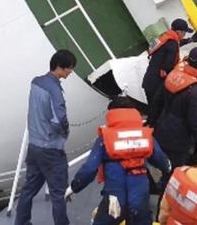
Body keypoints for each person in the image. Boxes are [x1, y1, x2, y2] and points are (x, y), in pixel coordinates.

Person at [65, 97, 171, 225]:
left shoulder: (105, 139)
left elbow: (89, 169)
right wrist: (168, 167)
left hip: (114, 199)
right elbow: (161, 161)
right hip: (140, 198)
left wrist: (74, 187)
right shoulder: (145, 136)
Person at [15, 50, 76, 225]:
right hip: (51, 149)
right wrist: (65, 131)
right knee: (58, 193)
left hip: (34, 146)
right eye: (70, 68)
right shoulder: (54, 89)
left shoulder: (36, 82)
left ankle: (21, 222)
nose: (71, 72)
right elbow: (60, 119)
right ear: (60, 67)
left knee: (29, 189)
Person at [143, 18, 197, 123]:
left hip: (148, 80)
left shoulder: (165, 37)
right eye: (184, 33)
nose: (184, 35)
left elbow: (175, 44)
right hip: (156, 85)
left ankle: (149, 122)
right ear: (179, 32)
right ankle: (151, 125)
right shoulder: (172, 44)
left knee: (152, 108)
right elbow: (168, 65)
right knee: (157, 110)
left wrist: (191, 40)